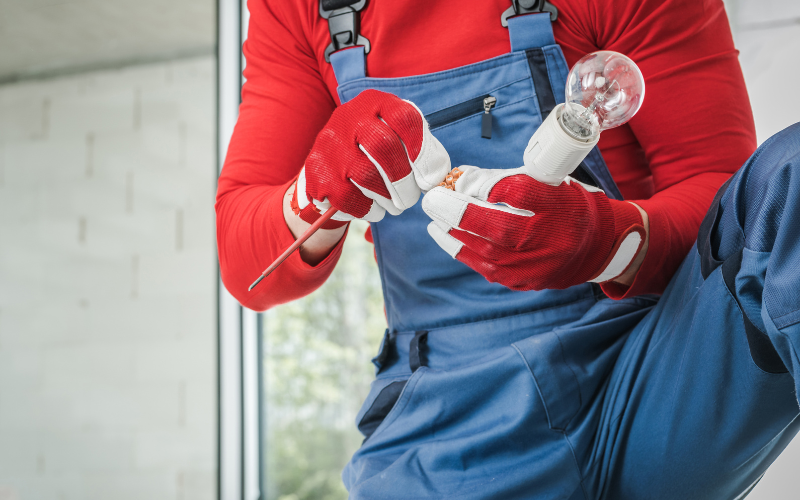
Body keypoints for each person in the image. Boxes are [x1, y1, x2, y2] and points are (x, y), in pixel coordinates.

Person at [216, 0, 800, 497]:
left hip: (654, 373)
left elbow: (731, 207)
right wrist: (311, 197)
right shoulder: (297, 10)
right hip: (448, 411)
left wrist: (609, 243)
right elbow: (249, 271)